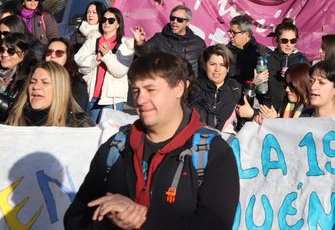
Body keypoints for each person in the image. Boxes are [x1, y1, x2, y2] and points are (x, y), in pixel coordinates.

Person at [64, 52, 240, 229]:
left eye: (151, 89)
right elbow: (75, 217)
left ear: (178, 88)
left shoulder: (212, 151)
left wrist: (144, 220)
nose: (140, 100)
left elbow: (216, 225)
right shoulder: (117, 145)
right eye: (136, 91)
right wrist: (111, 219)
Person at [74, 7, 134, 123]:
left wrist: (106, 56)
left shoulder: (126, 44)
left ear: (118, 24)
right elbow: (78, 60)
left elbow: (120, 70)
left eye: (111, 20)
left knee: (107, 136)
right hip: (92, 95)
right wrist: (96, 59)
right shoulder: (93, 40)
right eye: (104, 19)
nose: (106, 23)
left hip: (112, 99)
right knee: (91, 133)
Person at [5, 62, 93, 127]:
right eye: (32, 82)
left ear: (59, 89)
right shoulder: (14, 117)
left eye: (45, 82)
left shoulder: (78, 125)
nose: (36, 87)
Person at [132, 5, 206, 77]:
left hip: (189, 87)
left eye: (179, 20)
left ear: (188, 22)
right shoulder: (159, 38)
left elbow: (204, 69)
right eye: (172, 18)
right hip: (166, 86)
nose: (174, 21)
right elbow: (144, 53)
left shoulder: (198, 43)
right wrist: (140, 43)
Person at [189, 45, 241, 132]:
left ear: (228, 68)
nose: (217, 69)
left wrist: (250, 114)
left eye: (222, 65)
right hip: (197, 141)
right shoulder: (192, 89)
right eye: (212, 64)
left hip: (224, 142)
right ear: (205, 66)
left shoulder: (235, 88)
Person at [262, 18, 307, 109]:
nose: (289, 44)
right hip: (270, 110)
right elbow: (261, 91)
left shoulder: (301, 59)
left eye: (293, 41)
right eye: (285, 40)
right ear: (276, 39)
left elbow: (306, 89)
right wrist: (256, 82)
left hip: (293, 112)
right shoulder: (267, 59)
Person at [0, 33, 37, 122]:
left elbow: (17, 110)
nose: (4, 54)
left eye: (11, 51)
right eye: (1, 49)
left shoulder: (28, 79)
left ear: (23, 55)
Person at [45, 38, 89, 111]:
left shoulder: (77, 85)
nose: (52, 55)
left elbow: (77, 115)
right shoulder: (34, 78)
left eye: (59, 53)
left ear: (67, 57)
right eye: (49, 52)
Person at [227, 14, 269, 86]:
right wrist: (251, 83)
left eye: (234, 33)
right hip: (231, 94)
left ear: (246, 34)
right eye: (230, 32)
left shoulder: (262, 53)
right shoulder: (224, 53)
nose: (231, 35)